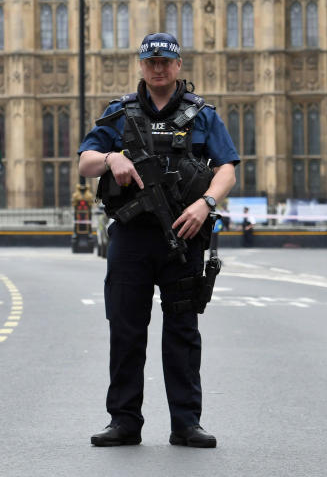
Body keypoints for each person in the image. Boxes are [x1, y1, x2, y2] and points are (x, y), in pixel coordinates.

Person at [78, 32, 239, 449]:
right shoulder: (120, 113)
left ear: (178, 66)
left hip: (183, 234)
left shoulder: (201, 114)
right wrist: (112, 158)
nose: (158, 68)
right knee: (127, 331)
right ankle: (124, 420)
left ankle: (186, 423)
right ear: (141, 66)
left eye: (166, 62)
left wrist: (205, 203)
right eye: (151, 62)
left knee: (183, 331)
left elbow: (227, 169)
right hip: (131, 237)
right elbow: (85, 162)